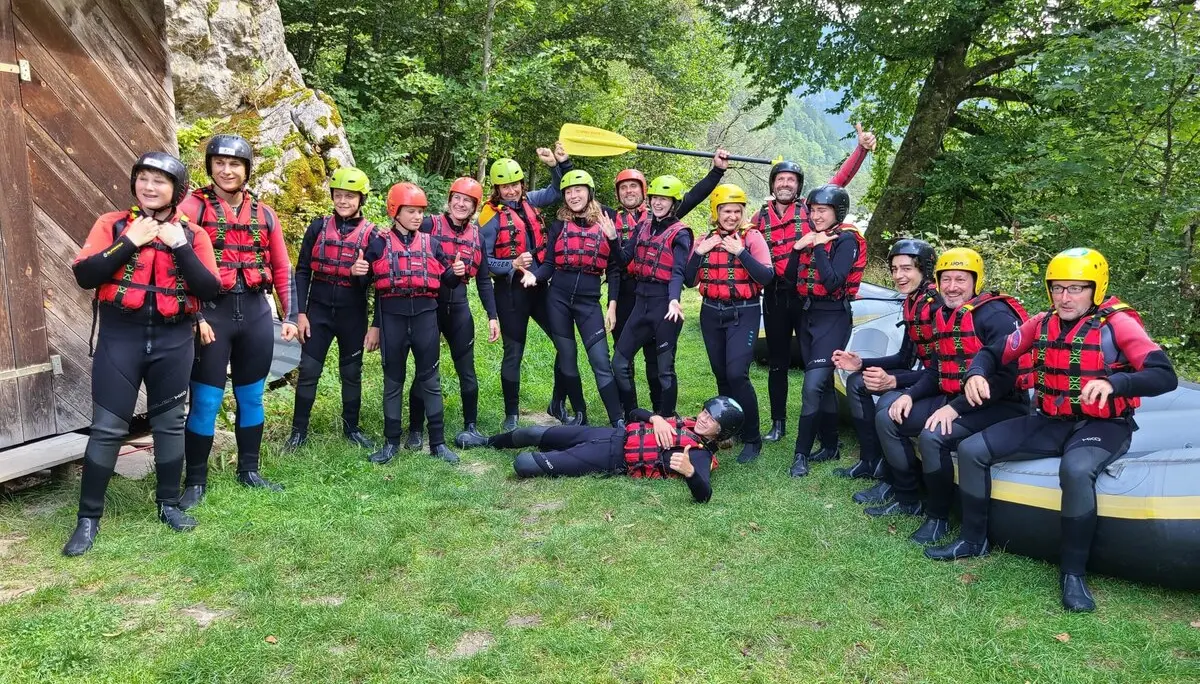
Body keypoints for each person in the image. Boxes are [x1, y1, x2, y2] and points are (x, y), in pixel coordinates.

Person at [926, 248, 1177, 612]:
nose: (1065, 297)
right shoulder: (1042, 322)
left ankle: (1072, 573)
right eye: (1058, 288)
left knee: (1074, 470)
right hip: (1050, 420)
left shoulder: (1118, 324)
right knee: (971, 450)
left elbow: (1163, 375)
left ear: (1095, 289)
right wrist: (976, 373)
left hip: (1103, 423)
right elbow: (994, 353)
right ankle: (972, 540)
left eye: (1075, 289)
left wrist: (1116, 384)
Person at [64, 152, 220, 555]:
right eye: (143, 179)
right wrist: (129, 241)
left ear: (176, 191)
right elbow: (85, 275)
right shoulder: (112, 224)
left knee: (169, 424)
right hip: (121, 338)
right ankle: (88, 519)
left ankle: (168, 504)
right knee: (107, 429)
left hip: (173, 341)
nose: (149, 187)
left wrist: (180, 246)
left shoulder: (194, 234)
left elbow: (208, 288)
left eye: (160, 181)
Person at [869, 248, 1032, 547]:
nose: (952, 286)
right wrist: (910, 396)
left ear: (975, 281)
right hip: (957, 398)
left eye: (960, 279)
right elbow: (938, 369)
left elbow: (1005, 377)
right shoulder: (945, 313)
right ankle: (907, 498)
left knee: (934, 435)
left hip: (1004, 403)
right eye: (946, 279)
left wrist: (954, 409)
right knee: (890, 415)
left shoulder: (995, 315)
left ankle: (938, 516)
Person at [178, 135, 298, 509]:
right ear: (210, 166)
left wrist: (290, 314)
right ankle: (195, 480)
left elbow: (281, 267)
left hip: (256, 312)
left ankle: (249, 470)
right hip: (212, 313)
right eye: (219, 163)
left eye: (235, 164)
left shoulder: (265, 213)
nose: (226, 171)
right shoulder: (191, 207)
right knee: (206, 401)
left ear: (246, 170)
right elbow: (176, 266)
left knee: (252, 395)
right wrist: (194, 314)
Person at [753, 124, 876, 444]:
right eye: (780, 179)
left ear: (798, 187)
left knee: (814, 365)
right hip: (776, 296)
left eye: (791, 180)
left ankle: (824, 431)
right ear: (773, 184)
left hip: (807, 297)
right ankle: (778, 423)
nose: (785, 184)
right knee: (778, 362)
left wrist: (860, 149)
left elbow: (839, 182)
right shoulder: (759, 217)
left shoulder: (811, 211)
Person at [606, 153, 729, 412]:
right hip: (640, 302)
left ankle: (666, 418)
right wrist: (612, 239)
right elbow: (624, 257)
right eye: (655, 198)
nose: (658, 203)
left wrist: (674, 299)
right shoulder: (642, 226)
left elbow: (677, 273)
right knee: (619, 363)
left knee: (662, 370)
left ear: (673, 203)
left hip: (665, 305)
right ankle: (632, 417)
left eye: (664, 199)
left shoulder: (680, 233)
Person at [832, 239, 941, 505]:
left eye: (906, 269)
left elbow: (940, 372)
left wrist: (893, 381)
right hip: (926, 376)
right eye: (894, 269)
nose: (898, 276)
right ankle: (871, 461)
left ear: (924, 270)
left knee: (888, 408)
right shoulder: (912, 301)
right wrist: (861, 364)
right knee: (858, 381)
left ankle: (899, 484)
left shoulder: (938, 307)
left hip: (939, 384)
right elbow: (905, 358)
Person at [363, 183, 463, 465]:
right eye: (411, 211)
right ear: (395, 211)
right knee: (393, 383)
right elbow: (364, 283)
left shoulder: (431, 243)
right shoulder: (380, 243)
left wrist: (456, 273)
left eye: (420, 211)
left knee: (430, 381)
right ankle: (391, 443)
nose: (418, 216)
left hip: (425, 318)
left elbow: (446, 280)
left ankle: (438, 443)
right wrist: (358, 274)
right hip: (393, 319)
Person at [490, 397, 745, 503]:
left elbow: (704, 495)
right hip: (609, 434)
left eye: (711, 420)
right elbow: (633, 413)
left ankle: (543, 452)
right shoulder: (684, 423)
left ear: (721, 432)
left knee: (523, 464)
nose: (703, 418)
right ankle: (486, 442)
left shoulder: (699, 455)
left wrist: (689, 473)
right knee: (532, 432)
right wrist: (655, 418)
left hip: (610, 458)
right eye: (705, 411)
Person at [480, 144, 574, 430]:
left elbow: (559, 190)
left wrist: (554, 165)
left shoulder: (531, 200)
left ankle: (557, 403)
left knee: (565, 344)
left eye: (515, 185)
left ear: (521, 184)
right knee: (514, 353)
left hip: (541, 287)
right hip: (511, 293)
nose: (511, 191)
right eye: (505, 187)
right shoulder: (488, 216)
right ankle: (511, 414)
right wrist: (512, 264)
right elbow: (483, 262)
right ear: (497, 188)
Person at [405, 176, 500, 450]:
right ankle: (414, 430)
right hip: (428, 308)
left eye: (467, 201)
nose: (460, 204)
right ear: (449, 200)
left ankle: (471, 425)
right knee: (426, 371)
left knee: (466, 370)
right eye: (457, 198)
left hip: (459, 309)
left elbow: (483, 280)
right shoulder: (428, 225)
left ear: (474, 207)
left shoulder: (477, 236)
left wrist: (492, 316)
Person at [286, 166, 376, 451]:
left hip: (352, 313)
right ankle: (298, 432)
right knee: (309, 370)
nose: (343, 201)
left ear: (361, 199)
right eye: (338, 195)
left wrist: (362, 273)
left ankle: (352, 428)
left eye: (350, 196)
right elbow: (302, 271)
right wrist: (299, 313)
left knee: (351, 373)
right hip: (318, 312)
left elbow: (372, 284)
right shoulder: (318, 227)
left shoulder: (373, 235)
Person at [684, 184, 774, 463]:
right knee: (721, 374)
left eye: (737, 211)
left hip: (743, 312)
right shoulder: (705, 239)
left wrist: (740, 253)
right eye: (726, 211)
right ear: (716, 212)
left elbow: (767, 278)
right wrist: (700, 252)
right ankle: (727, 430)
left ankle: (752, 438)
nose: (732, 216)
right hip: (711, 312)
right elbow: (689, 280)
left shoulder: (752, 238)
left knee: (737, 374)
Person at [528, 170, 624, 427]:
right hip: (557, 300)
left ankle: (618, 420)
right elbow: (548, 264)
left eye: (578, 190)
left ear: (589, 192)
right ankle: (580, 414)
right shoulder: (559, 225)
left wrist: (612, 305)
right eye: (568, 191)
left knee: (601, 361)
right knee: (568, 359)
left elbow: (615, 269)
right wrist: (534, 277)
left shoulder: (606, 222)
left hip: (589, 303)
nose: (573, 195)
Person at [784, 184, 867, 477]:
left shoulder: (846, 241)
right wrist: (797, 248)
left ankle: (800, 455)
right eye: (813, 210)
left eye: (823, 210)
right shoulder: (811, 237)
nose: (816, 216)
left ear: (837, 212)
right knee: (824, 386)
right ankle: (830, 445)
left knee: (811, 386)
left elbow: (833, 282)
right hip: (809, 315)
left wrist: (818, 245)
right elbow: (789, 278)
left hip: (833, 317)